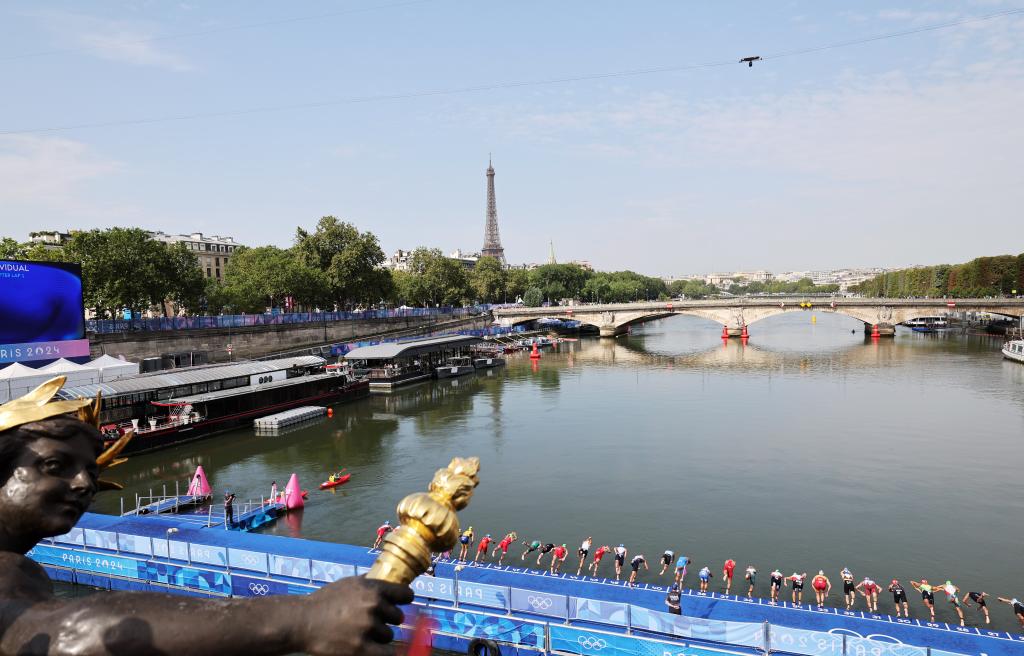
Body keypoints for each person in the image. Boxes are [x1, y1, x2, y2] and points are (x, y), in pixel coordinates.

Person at [0, 382, 410, 656]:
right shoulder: (9, 576)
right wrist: (305, 617)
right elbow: (65, 632)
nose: (83, 484)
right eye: (55, 465)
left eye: (91, 471)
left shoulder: (24, 570)